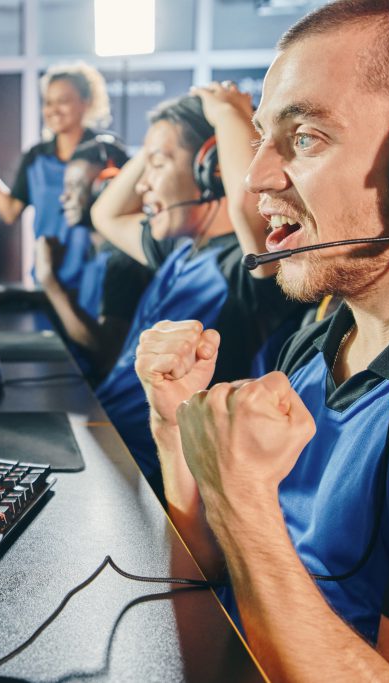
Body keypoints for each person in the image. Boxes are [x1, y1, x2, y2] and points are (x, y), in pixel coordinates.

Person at [136, 1, 389, 678]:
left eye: (304, 137)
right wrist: (173, 427)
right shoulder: (328, 329)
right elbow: (211, 561)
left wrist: (242, 501)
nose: (256, 178)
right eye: (266, 136)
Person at [87, 90, 301, 488]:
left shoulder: (245, 267)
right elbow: (105, 212)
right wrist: (157, 143)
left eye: (160, 164)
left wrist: (225, 116)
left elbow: (250, 212)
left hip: (144, 479)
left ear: (212, 169)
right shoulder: (178, 251)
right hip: (98, 446)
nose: (142, 186)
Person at [34, 138, 150, 380]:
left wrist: (50, 282)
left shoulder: (124, 261)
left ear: (108, 186)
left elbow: (105, 353)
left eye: (75, 186)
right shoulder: (97, 249)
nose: (63, 198)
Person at [0, 62, 111, 246]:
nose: (54, 110)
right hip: (49, 270)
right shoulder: (36, 157)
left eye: (63, 101)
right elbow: (10, 212)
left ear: (86, 102)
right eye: (49, 102)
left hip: (100, 270)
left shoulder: (106, 152)